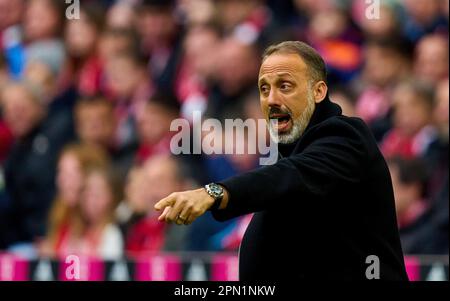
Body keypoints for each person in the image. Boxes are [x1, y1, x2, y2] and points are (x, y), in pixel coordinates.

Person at [154, 41, 408, 280]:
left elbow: (290, 176)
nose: (272, 99)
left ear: (318, 91)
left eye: (285, 86)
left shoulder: (346, 136)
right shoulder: (291, 153)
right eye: (264, 89)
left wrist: (214, 192)